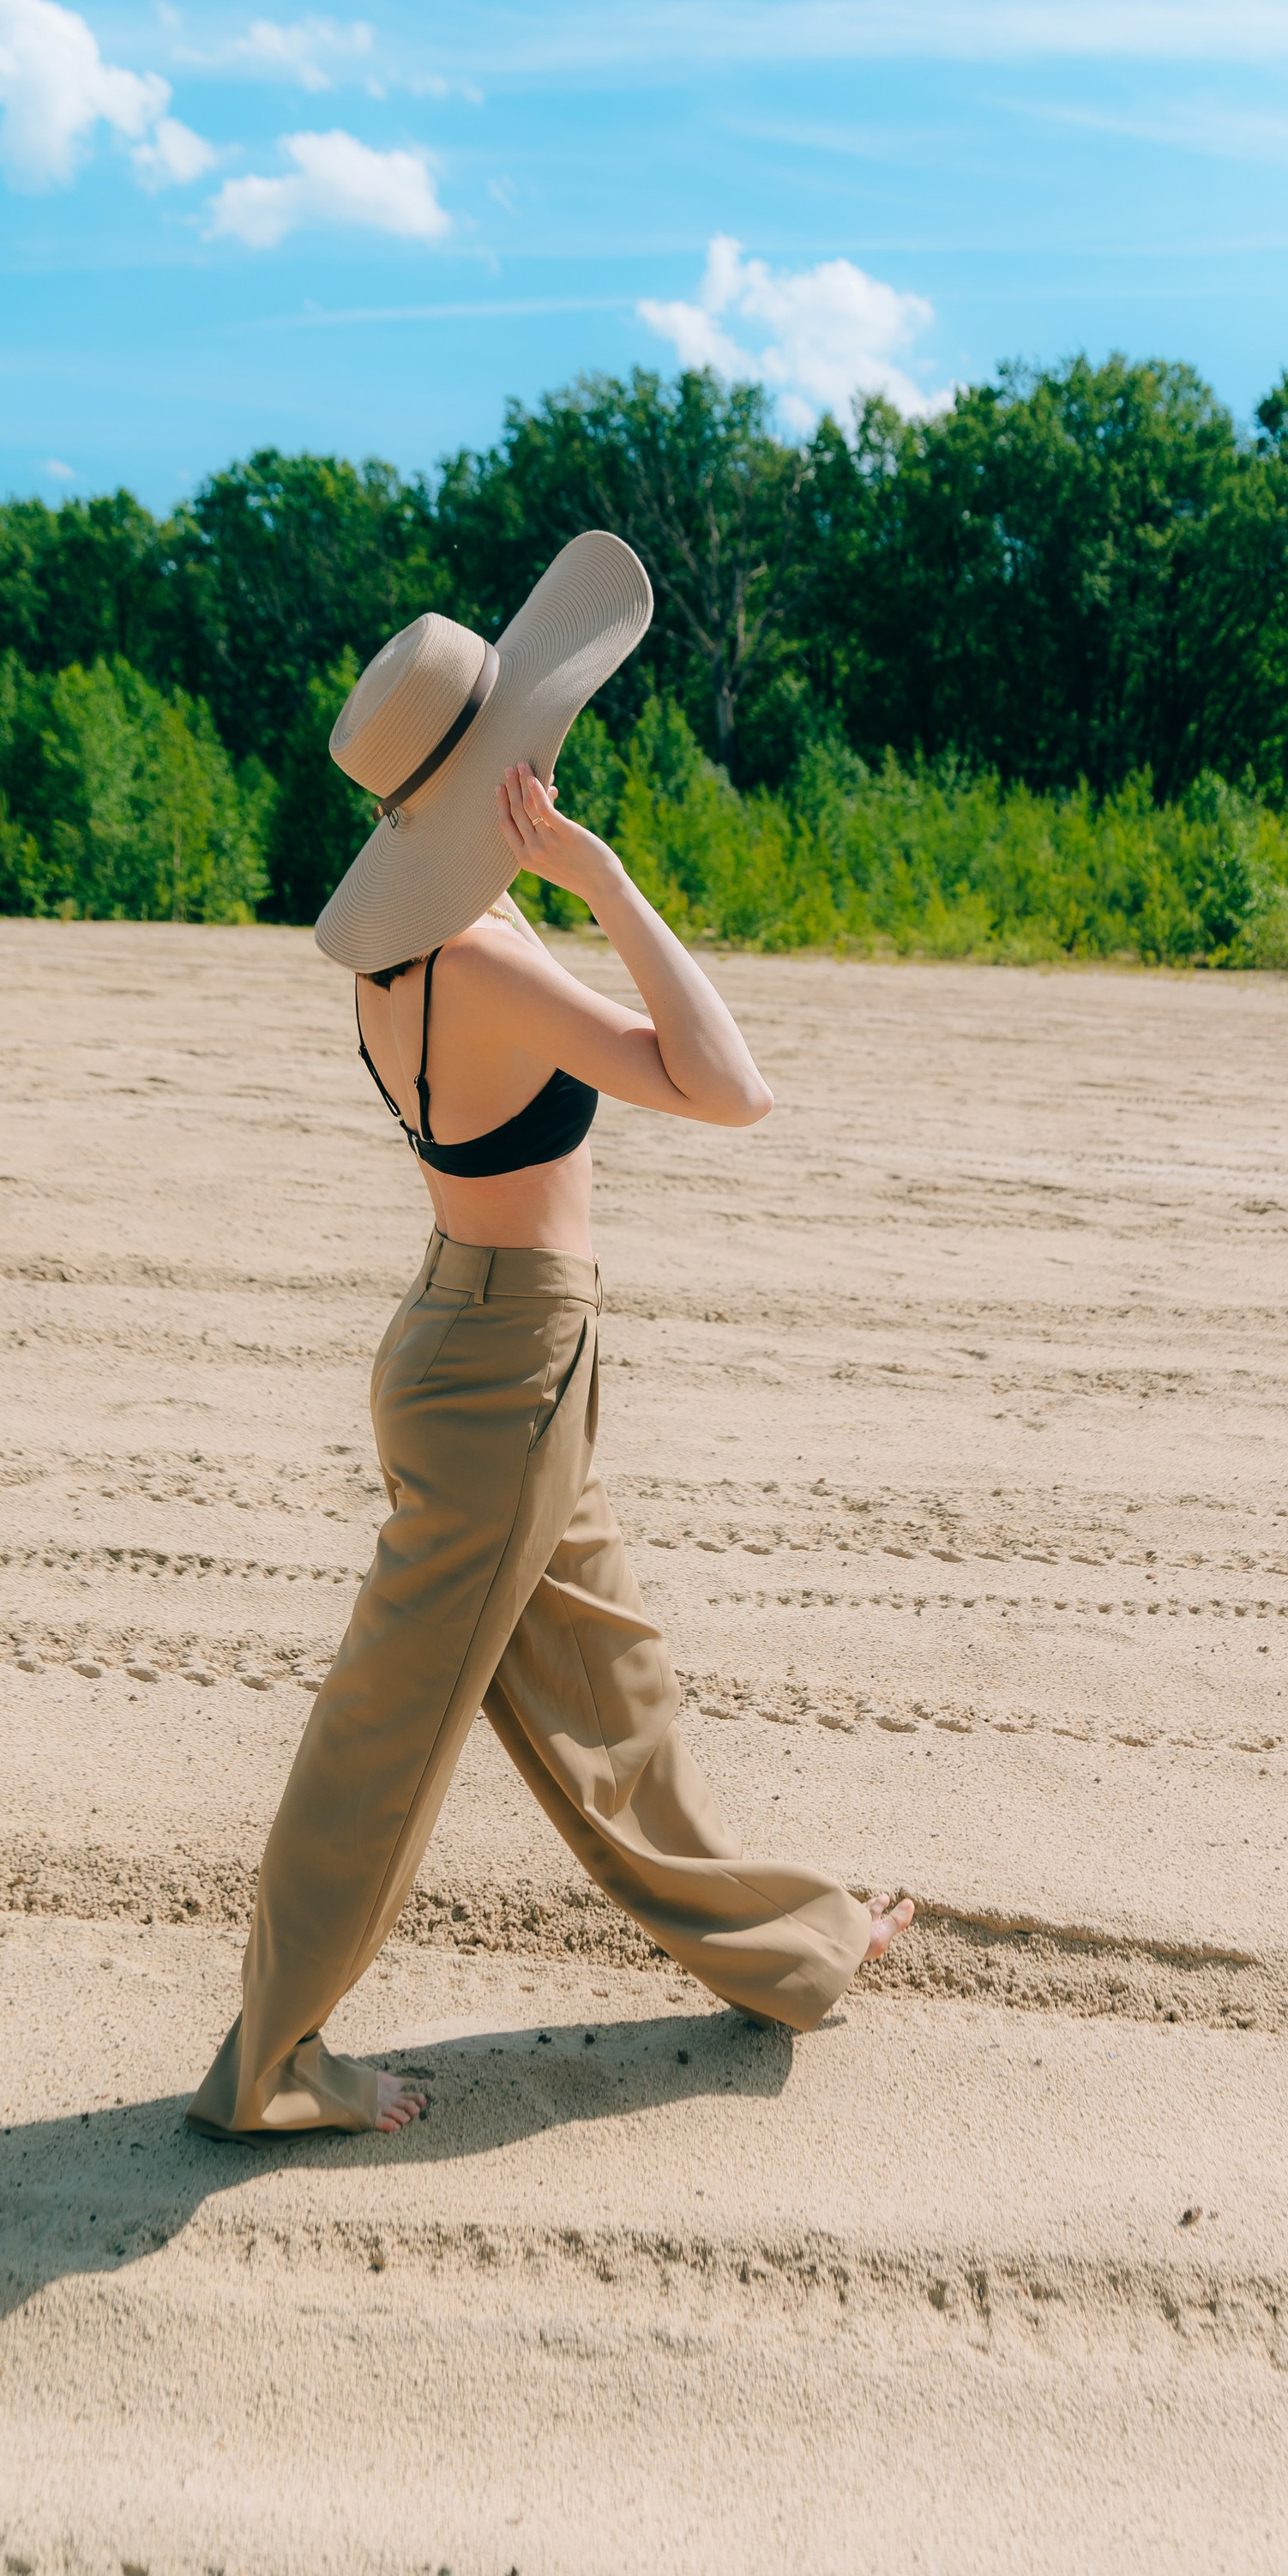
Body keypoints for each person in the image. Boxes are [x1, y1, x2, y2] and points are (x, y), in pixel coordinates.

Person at [189, 532, 914, 2139]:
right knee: (384, 1736)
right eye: (535, 740)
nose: (554, 755)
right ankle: (271, 2064)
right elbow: (730, 1087)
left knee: (615, 1693)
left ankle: (793, 1947)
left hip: (475, 1345)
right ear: (497, 779)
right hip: (504, 1374)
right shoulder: (482, 956)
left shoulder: (405, 950)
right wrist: (607, 879)